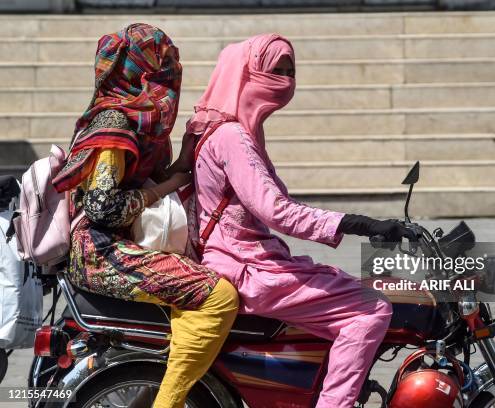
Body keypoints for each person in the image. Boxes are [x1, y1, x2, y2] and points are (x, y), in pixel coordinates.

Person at [187, 33, 419, 408]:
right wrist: (359, 224)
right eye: (273, 71)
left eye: (289, 72)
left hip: (251, 261)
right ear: (246, 73)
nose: (283, 82)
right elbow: (275, 209)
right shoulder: (232, 137)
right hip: (247, 268)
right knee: (371, 309)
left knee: (343, 285)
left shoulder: (230, 129)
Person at [51, 23, 238, 408]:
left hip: (119, 242)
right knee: (218, 296)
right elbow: (103, 209)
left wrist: (184, 160)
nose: (174, 69)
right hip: (100, 252)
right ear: (141, 68)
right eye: (164, 61)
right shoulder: (116, 123)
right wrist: (168, 186)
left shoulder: (142, 122)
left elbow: (140, 184)